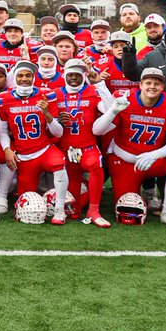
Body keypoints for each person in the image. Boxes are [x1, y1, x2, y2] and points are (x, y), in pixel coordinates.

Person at [92, 67, 166, 229]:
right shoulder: (126, 100)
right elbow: (97, 130)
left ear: (162, 87)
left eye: (156, 83)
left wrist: (153, 155)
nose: (152, 86)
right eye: (148, 82)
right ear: (140, 85)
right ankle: (146, 196)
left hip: (154, 161)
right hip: (126, 160)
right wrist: (113, 111)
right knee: (127, 208)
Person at [0, 61, 69, 223]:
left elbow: (58, 132)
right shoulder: (3, 98)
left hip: (44, 149)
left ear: (34, 77)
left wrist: (47, 113)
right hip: (24, 154)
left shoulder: (46, 94)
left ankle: (60, 210)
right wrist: (7, 149)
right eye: (20, 75)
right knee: (26, 198)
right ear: (15, 78)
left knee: (59, 164)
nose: (24, 79)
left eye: (28, 75)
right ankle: (1, 195)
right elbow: (2, 130)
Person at [55, 58, 112, 226]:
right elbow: (47, 120)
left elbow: (110, 111)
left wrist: (100, 84)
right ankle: (80, 200)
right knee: (73, 208)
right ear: (64, 75)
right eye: (70, 74)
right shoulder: (55, 93)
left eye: (77, 75)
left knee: (95, 164)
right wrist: (57, 119)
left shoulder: (93, 91)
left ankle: (94, 210)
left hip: (87, 147)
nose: (73, 78)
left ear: (84, 76)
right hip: (65, 148)